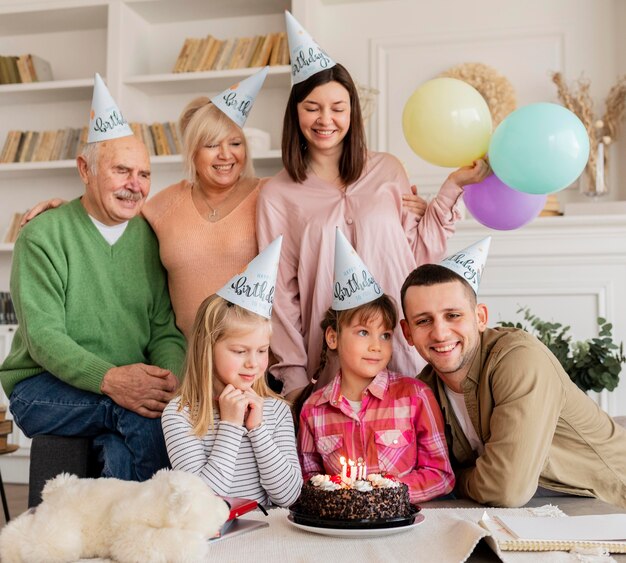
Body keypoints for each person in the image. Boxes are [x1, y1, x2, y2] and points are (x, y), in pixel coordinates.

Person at [256, 12, 491, 400]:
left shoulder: (387, 169)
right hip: (332, 361)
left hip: (401, 346)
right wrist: (293, 376)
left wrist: (451, 188)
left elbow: (416, 258)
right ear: (295, 113)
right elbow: (281, 294)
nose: (325, 119)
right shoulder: (276, 195)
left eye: (338, 107)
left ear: (353, 112)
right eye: (312, 107)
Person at [0, 74, 186, 481]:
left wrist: (167, 380)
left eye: (144, 174)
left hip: (124, 382)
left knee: (130, 434)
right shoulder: (43, 235)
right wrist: (113, 380)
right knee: (139, 414)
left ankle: (110, 537)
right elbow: (44, 338)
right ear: (85, 169)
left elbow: (164, 330)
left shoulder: (150, 237)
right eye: (121, 170)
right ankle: (159, 528)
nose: (134, 185)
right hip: (41, 387)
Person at [21, 67, 271, 341]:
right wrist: (69, 210)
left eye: (235, 143)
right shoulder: (164, 205)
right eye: (212, 144)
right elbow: (113, 213)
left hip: (253, 357)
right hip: (187, 362)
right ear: (193, 152)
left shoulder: (270, 196)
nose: (226, 155)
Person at [400, 237, 626, 508]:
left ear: (481, 317)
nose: (440, 333)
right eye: (424, 321)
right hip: (528, 514)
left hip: (605, 503)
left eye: (453, 315)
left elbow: (505, 489)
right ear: (407, 332)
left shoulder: (518, 359)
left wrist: (452, 480)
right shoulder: (422, 390)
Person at [297, 230, 454, 504]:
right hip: (341, 530)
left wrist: (384, 493)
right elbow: (309, 479)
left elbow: (440, 474)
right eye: (362, 333)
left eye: (385, 335)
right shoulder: (313, 410)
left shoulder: (415, 397)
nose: (376, 346)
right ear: (332, 337)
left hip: (402, 525)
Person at [162, 237, 303, 507]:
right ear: (208, 348)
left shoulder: (276, 410)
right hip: (216, 543)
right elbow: (200, 503)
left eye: (262, 351)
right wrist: (229, 425)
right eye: (240, 351)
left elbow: (288, 497)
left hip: (268, 539)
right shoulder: (181, 414)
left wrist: (257, 429)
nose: (253, 363)